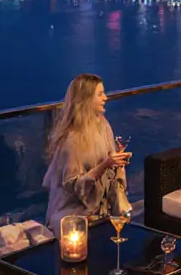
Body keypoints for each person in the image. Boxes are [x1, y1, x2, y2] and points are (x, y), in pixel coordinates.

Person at [43, 74, 131, 231]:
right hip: (74, 215)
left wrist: (117, 162)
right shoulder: (73, 139)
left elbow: (109, 165)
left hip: (101, 211)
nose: (106, 98)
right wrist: (106, 165)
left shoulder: (103, 125)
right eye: (100, 94)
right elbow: (74, 187)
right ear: (86, 99)